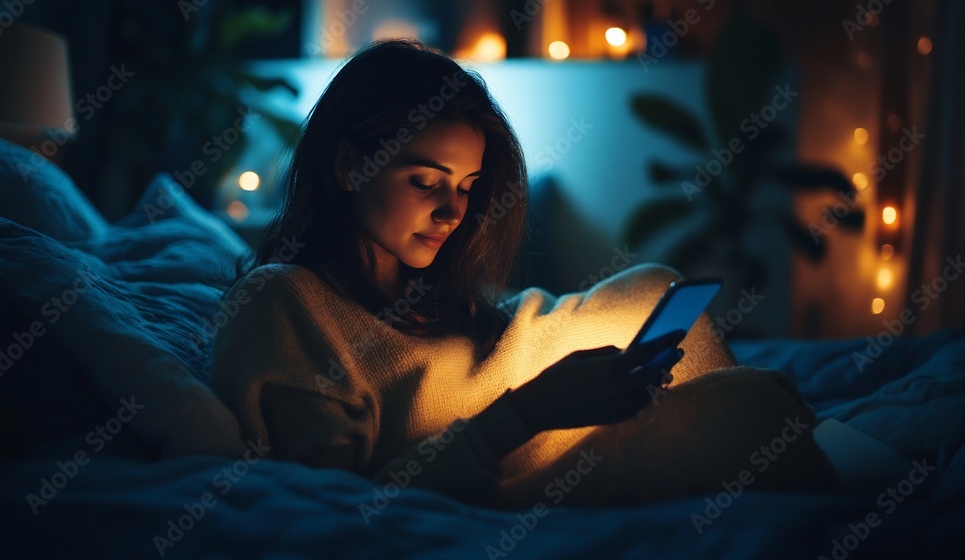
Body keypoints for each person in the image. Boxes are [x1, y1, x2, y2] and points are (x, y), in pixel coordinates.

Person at [210, 39, 840, 510]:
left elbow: (499, 328)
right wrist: (528, 412)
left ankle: (835, 451)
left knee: (656, 293)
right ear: (348, 165)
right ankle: (835, 454)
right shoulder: (281, 301)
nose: (452, 211)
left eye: (467, 187)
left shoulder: (423, 280)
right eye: (425, 182)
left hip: (545, 368)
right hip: (526, 441)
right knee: (751, 412)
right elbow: (342, 510)